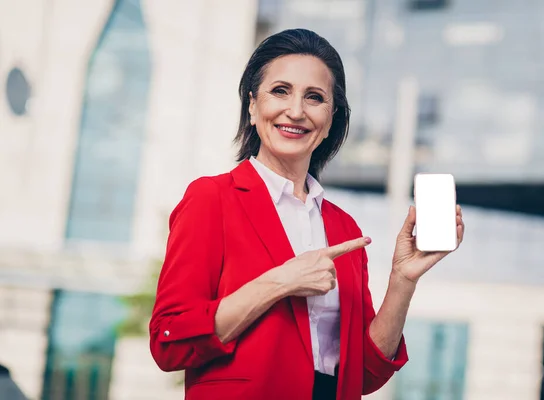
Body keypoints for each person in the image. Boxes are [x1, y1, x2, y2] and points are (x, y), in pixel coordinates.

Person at [149, 28, 464, 400]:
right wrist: (280, 282)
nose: (295, 111)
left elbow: (364, 373)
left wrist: (402, 280)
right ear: (252, 106)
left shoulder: (344, 228)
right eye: (280, 91)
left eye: (314, 97)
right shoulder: (212, 198)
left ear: (330, 119)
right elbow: (169, 341)